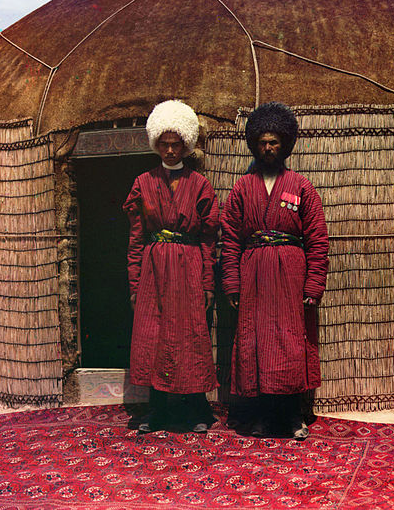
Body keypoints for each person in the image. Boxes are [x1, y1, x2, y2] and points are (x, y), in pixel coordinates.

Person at [220, 102, 329, 440]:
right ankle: (264, 419)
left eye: (274, 142)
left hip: (290, 277)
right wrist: (232, 284)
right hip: (253, 277)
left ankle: (293, 418)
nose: (268, 148)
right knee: (258, 344)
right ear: (254, 144)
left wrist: (312, 286)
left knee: (289, 344)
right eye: (262, 143)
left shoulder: (301, 187)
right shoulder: (241, 189)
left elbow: (317, 240)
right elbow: (230, 242)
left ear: (285, 145)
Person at [123, 100, 219, 433]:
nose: (169, 150)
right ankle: (157, 410)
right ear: (155, 145)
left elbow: (208, 240)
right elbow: (136, 239)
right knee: (153, 335)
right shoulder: (143, 183)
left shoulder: (200, 185)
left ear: (186, 145)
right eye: (163, 144)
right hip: (153, 268)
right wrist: (134, 283)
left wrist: (208, 283)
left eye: (175, 144)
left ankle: (195, 411)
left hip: (189, 266)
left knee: (190, 335)